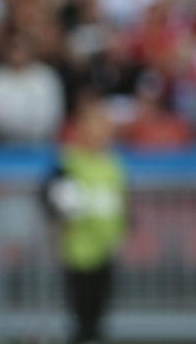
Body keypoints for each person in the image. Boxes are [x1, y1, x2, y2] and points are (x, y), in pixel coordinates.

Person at [42, 95, 128, 344]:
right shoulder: (68, 161)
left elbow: (120, 198)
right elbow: (52, 195)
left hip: (106, 246)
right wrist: (58, 218)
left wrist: (123, 227)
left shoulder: (113, 164)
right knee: (80, 308)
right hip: (77, 247)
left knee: (100, 307)